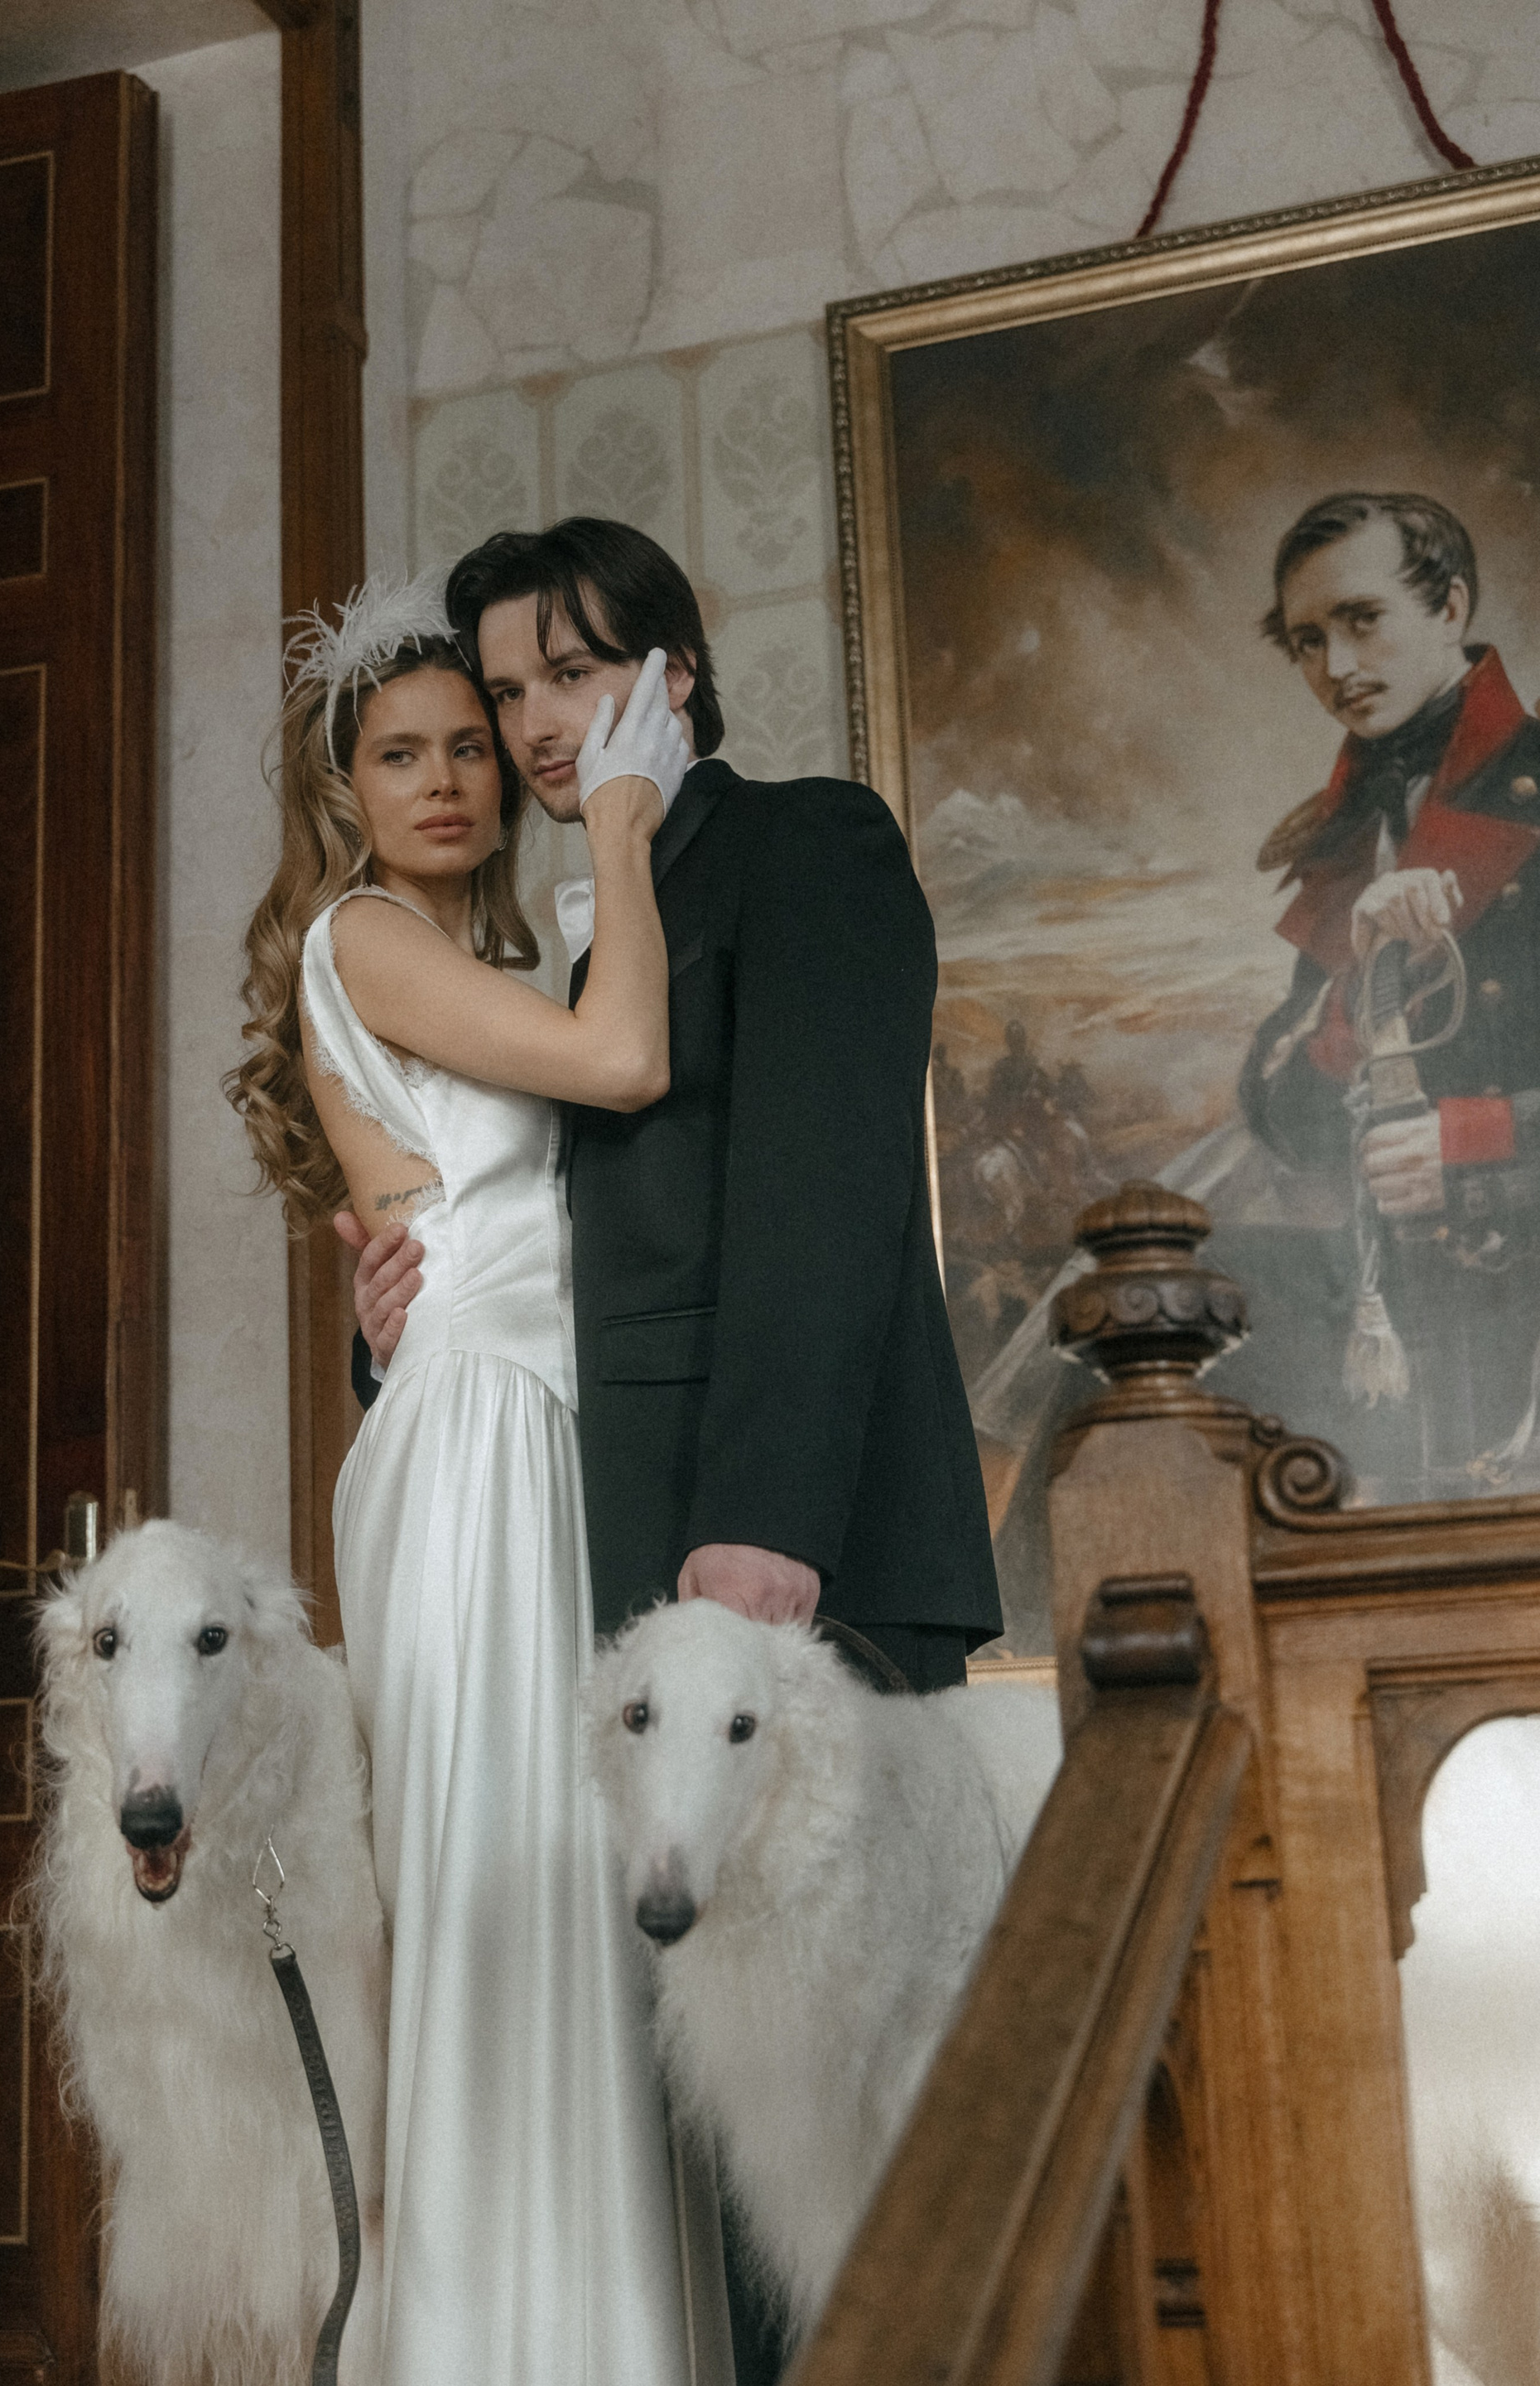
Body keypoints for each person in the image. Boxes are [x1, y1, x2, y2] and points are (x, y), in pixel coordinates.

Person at [346, 517, 1003, 2380]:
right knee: (716, 2131)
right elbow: (524, 1255)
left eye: (572, 673)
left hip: (784, 1559)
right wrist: (392, 1338)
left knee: (839, 2118)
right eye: (507, 693)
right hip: (623, 1568)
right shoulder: (577, 934)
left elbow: (825, 1192)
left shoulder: (807, 846)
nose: (537, 725)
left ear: (675, 672)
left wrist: (762, 1527)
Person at [226, 575, 728, 2384]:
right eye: (399, 755)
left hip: (523, 1422)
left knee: (585, 1889)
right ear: (344, 789)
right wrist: (624, 818)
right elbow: (625, 1062)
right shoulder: (362, 934)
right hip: (482, 1448)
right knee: (511, 1886)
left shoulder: (477, 963)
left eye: (468, 747)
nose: (445, 780)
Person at [1241, 491, 1540, 1484]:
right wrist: (1359, 990)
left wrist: (1472, 1138)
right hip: (1412, 1321)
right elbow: (1287, 1119)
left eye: (1362, 620)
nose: (1336, 667)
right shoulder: (1350, 827)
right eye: (1308, 640)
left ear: (1450, 607)